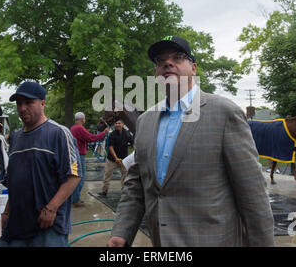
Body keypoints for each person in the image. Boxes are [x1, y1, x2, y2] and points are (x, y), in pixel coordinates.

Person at [107, 36, 274, 247]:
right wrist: (121, 232)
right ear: (156, 73)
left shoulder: (224, 113)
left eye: (178, 57)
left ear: (193, 68)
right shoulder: (145, 121)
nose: (168, 63)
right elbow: (136, 185)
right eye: (160, 61)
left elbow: (253, 194)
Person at [0, 81, 81, 247]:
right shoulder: (15, 138)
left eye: (29, 102)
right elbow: (15, 182)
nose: (22, 108)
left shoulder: (58, 133)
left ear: (43, 103)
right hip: (16, 225)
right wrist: (6, 211)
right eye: (19, 103)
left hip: (47, 227)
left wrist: (51, 208)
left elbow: (74, 176)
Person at [70, 112, 109, 207]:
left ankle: (75, 198)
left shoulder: (73, 128)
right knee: (80, 178)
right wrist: (103, 133)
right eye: (85, 118)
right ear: (82, 119)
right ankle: (75, 200)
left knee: (75, 177)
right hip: (79, 155)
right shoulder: (80, 128)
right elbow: (91, 138)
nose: (85, 120)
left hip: (74, 155)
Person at [98, 118, 133, 196]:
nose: (117, 125)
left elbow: (133, 142)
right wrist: (116, 158)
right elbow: (110, 147)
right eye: (116, 123)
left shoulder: (127, 134)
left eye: (119, 123)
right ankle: (104, 191)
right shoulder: (112, 134)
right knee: (107, 175)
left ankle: (124, 191)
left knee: (125, 175)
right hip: (112, 159)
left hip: (124, 159)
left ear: (123, 124)